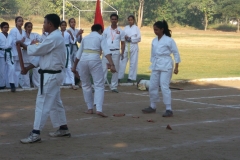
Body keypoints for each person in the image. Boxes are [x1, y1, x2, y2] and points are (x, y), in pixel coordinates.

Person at [19, 14, 71, 144]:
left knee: (42, 103)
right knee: (55, 102)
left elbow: (39, 49)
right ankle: (63, 127)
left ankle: (35, 133)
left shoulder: (54, 37)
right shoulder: (52, 37)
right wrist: (28, 68)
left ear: (50, 25)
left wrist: (23, 45)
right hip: (52, 74)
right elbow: (42, 56)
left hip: (51, 75)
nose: (43, 25)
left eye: (45, 23)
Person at [72, 24, 116, 117]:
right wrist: (112, 64)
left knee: (85, 84)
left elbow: (78, 54)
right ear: (100, 30)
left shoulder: (86, 38)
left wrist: (74, 67)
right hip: (94, 59)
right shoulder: (101, 37)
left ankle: (90, 108)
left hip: (83, 60)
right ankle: (99, 109)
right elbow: (106, 52)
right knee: (99, 85)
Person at [141, 20, 181, 117]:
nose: (155, 31)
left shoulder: (169, 40)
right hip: (156, 65)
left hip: (166, 64)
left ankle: (168, 109)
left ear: (162, 29)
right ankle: (152, 106)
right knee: (153, 85)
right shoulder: (154, 41)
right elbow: (152, 54)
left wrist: (176, 67)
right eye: (154, 30)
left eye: (157, 30)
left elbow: (176, 53)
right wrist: (152, 64)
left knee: (164, 86)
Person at [102, 13, 125, 93]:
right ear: (110, 20)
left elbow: (122, 43)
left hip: (116, 51)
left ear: (117, 20)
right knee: (104, 69)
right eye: (112, 19)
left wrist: (122, 52)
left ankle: (114, 86)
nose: (114, 20)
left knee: (115, 69)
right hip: (107, 51)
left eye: (115, 19)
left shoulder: (121, 31)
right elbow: (103, 41)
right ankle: (101, 85)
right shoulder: (106, 30)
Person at [118, 15, 141, 83]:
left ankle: (131, 78)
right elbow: (122, 36)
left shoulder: (136, 28)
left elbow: (139, 38)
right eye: (129, 20)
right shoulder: (125, 28)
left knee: (133, 63)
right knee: (122, 61)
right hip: (126, 46)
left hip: (133, 46)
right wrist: (125, 37)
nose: (130, 21)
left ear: (134, 20)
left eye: (131, 20)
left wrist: (131, 39)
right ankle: (119, 77)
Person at [20, 22, 42, 88]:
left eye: (31, 27)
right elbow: (21, 44)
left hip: (33, 56)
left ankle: (37, 85)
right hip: (25, 56)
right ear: (25, 28)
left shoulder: (35, 35)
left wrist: (32, 43)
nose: (30, 28)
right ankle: (26, 86)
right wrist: (30, 43)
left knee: (36, 72)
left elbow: (40, 40)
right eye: (28, 27)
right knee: (25, 72)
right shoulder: (22, 35)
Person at [60, 20, 77, 90]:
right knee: (60, 65)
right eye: (62, 25)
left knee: (69, 65)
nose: (63, 26)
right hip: (59, 50)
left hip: (67, 49)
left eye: (65, 25)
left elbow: (73, 41)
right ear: (60, 26)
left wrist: (71, 34)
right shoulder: (57, 33)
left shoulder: (68, 33)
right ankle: (61, 82)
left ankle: (72, 83)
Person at [9, 16, 25, 89]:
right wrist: (21, 41)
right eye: (19, 21)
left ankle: (17, 83)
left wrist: (21, 42)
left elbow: (24, 40)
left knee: (18, 68)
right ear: (16, 22)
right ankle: (11, 83)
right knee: (13, 68)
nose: (21, 22)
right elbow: (14, 42)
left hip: (20, 51)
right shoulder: (13, 31)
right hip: (14, 51)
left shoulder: (23, 31)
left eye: (22, 21)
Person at [68, 18, 84, 86]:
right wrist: (78, 33)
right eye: (71, 22)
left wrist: (80, 34)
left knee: (78, 64)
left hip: (75, 48)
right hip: (69, 48)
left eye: (74, 22)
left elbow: (79, 41)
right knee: (71, 65)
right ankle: (72, 80)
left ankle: (79, 80)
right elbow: (72, 40)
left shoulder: (77, 30)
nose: (73, 23)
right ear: (69, 23)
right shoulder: (68, 31)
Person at [0, 22, 15, 91]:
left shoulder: (10, 36)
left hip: (9, 53)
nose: (6, 29)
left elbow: (12, 45)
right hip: (1, 53)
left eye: (7, 27)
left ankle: (12, 83)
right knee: (2, 70)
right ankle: (2, 84)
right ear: (1, 28)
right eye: (4, 27)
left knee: (12, 68)